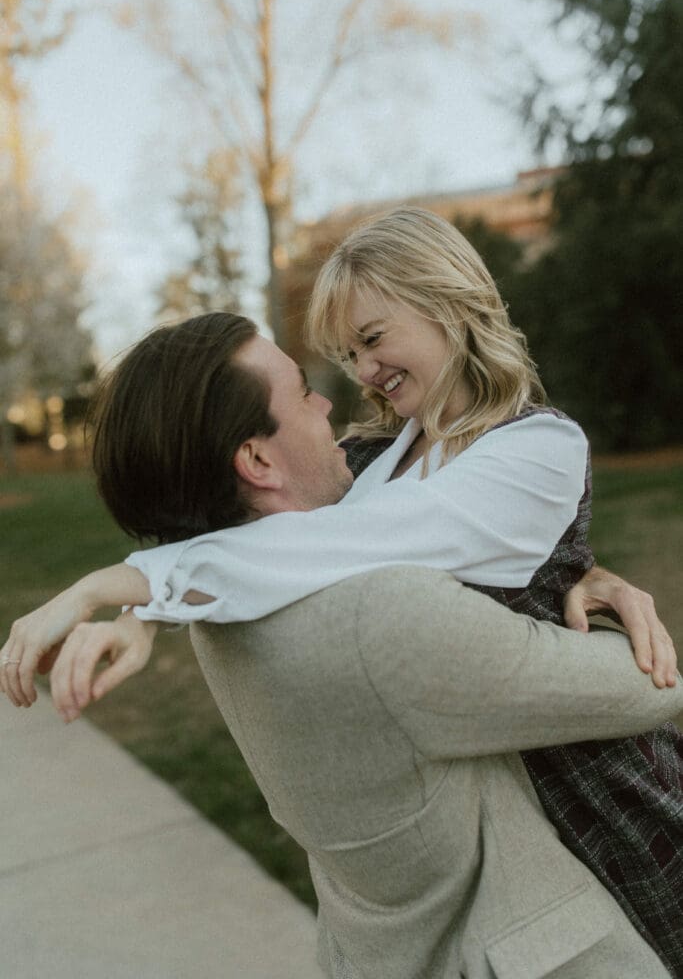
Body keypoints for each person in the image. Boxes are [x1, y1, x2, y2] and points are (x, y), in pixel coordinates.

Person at [2, 210, 680, 969]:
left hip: (598, 785)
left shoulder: (536, 447)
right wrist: (140, 609)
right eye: (343, 356)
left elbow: (335, 541)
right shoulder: (374, 459)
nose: (356, 377)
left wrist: (131, 591)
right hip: (508, 780)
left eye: (372, 339)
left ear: (448, 305)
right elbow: (298, 543)